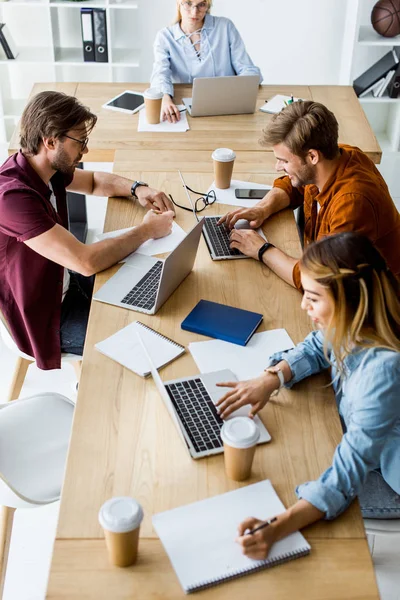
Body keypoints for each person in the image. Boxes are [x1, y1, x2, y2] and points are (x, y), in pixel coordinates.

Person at [215, 232, 400, 560]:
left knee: (285, 481)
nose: (304, 305)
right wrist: (273, 377)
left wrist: (277, 526)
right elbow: (320, 343)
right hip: (362, 442)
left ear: (348, 299)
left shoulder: (383, 370)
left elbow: (348, 472)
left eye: (313, 298)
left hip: (388, 480)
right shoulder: (365, 318)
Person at [0, 91, 175, 370]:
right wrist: (146, 231)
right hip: (48, 317)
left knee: (155, 292)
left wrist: (138, 188)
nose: (85, 150)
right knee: (145, 344)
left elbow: (93, 182)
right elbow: (86, 262)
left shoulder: (45, 169)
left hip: (65, 281)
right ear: (50, 141)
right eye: (80, 142)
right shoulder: (13, 199)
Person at [219, 100, 400, 290]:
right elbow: (294, 184)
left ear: (312, 156)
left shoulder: (352, 204)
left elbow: (319, 279)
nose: (278, 167)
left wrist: (262, 249)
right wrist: (262, 209)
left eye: (284, 161)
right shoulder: (336, 156)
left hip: (375, 304)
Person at [150, 0, 262, 123]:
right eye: (188, 3)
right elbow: (160, 73)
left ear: (208, 5)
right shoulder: (165, 36)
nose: (194, 12)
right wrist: (165, 98)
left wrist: (240, 92)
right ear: (178, 3)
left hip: (226, 108)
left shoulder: (225, 27)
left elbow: (248, 69)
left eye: (201, 4)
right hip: (185, 110)